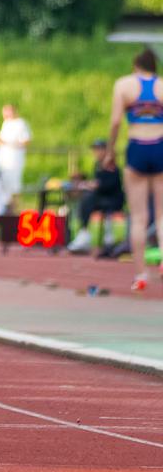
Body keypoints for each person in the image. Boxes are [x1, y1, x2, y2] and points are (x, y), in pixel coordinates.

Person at [105, 46, 163, 292]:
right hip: (160, 145)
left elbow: (116, 120)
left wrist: (110, 151)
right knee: (162, 216)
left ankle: (141, 275)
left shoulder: (124, 85)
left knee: (139, 218)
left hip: (137, 147)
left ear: (136, 65)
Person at [66, 139, 124, 253]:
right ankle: (83, 232)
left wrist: (96, 185)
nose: (96, 152)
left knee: (88, 198)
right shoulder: (97, 164)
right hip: (100, 198)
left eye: (98, 149)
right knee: (85, 199)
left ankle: (89, 234)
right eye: (95, 150)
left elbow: (110, 185)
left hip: (113, 199)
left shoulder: (111, 165)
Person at [0, 103, 32, 200]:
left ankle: (15, 205)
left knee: (15, 184)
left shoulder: (21, 123)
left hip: (15, 159)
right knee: (4, 183)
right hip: (4, 159)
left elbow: (26, 141)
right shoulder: (6, 123)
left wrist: (10, 144)